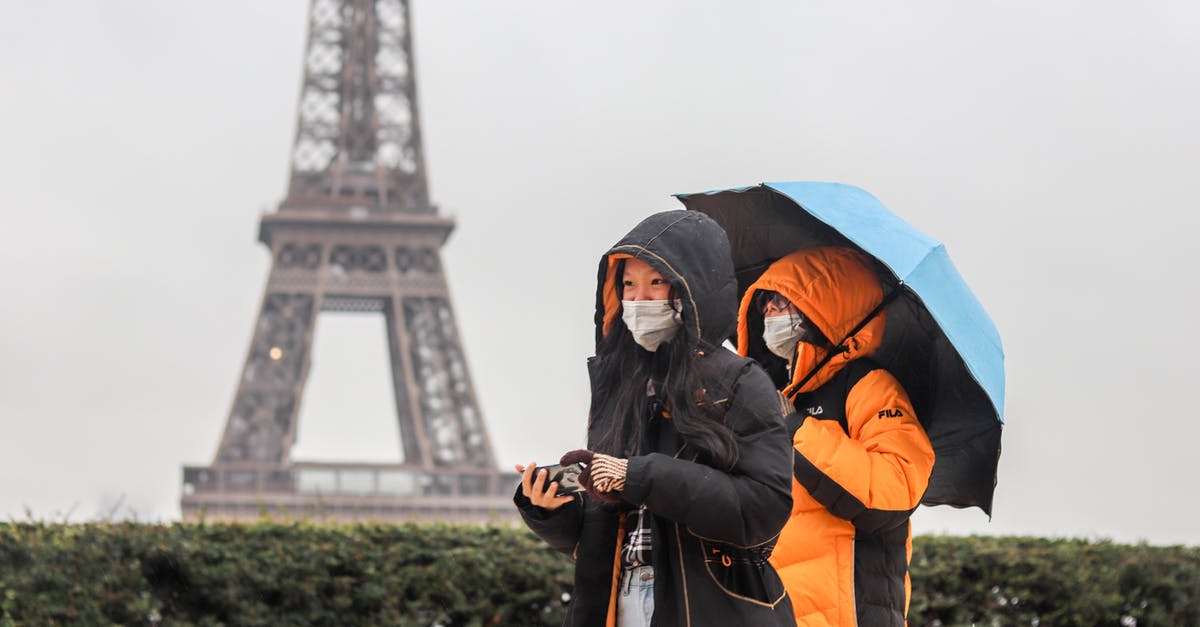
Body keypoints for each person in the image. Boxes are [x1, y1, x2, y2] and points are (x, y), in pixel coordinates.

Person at [514, 210, 796, 627]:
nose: (638, 300)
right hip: (618, 600)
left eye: (655, 284)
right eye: (628, 285)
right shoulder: (619, 384)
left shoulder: (741, 381)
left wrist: (639, 475)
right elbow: (602, 530)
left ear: (690, 289)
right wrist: (551, 512)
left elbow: (764, 508)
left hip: (710, 607)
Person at [735, 246, 935, 627]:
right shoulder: (773, 397)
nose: (770, 312)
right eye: (766, 301)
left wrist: (795, 430)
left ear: (826, 307)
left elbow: (894, 492)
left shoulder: (869, 386)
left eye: (784, 300)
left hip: (848, 615)